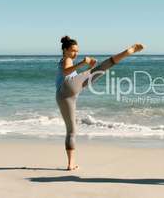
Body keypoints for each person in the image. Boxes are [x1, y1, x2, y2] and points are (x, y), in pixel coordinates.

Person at [55, 35, 144, 170]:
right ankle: (127, 52)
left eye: (77, 51)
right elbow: (66, 71)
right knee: (102, 67)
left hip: (64, 96)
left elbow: (74, 76)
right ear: (65, 50)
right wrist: (83, 64)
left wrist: (87, 68)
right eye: (73, 50)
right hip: (68, 89)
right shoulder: (67, 60)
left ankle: (70, 164)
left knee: (71, 130)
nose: (75, 53)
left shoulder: (65, 59)